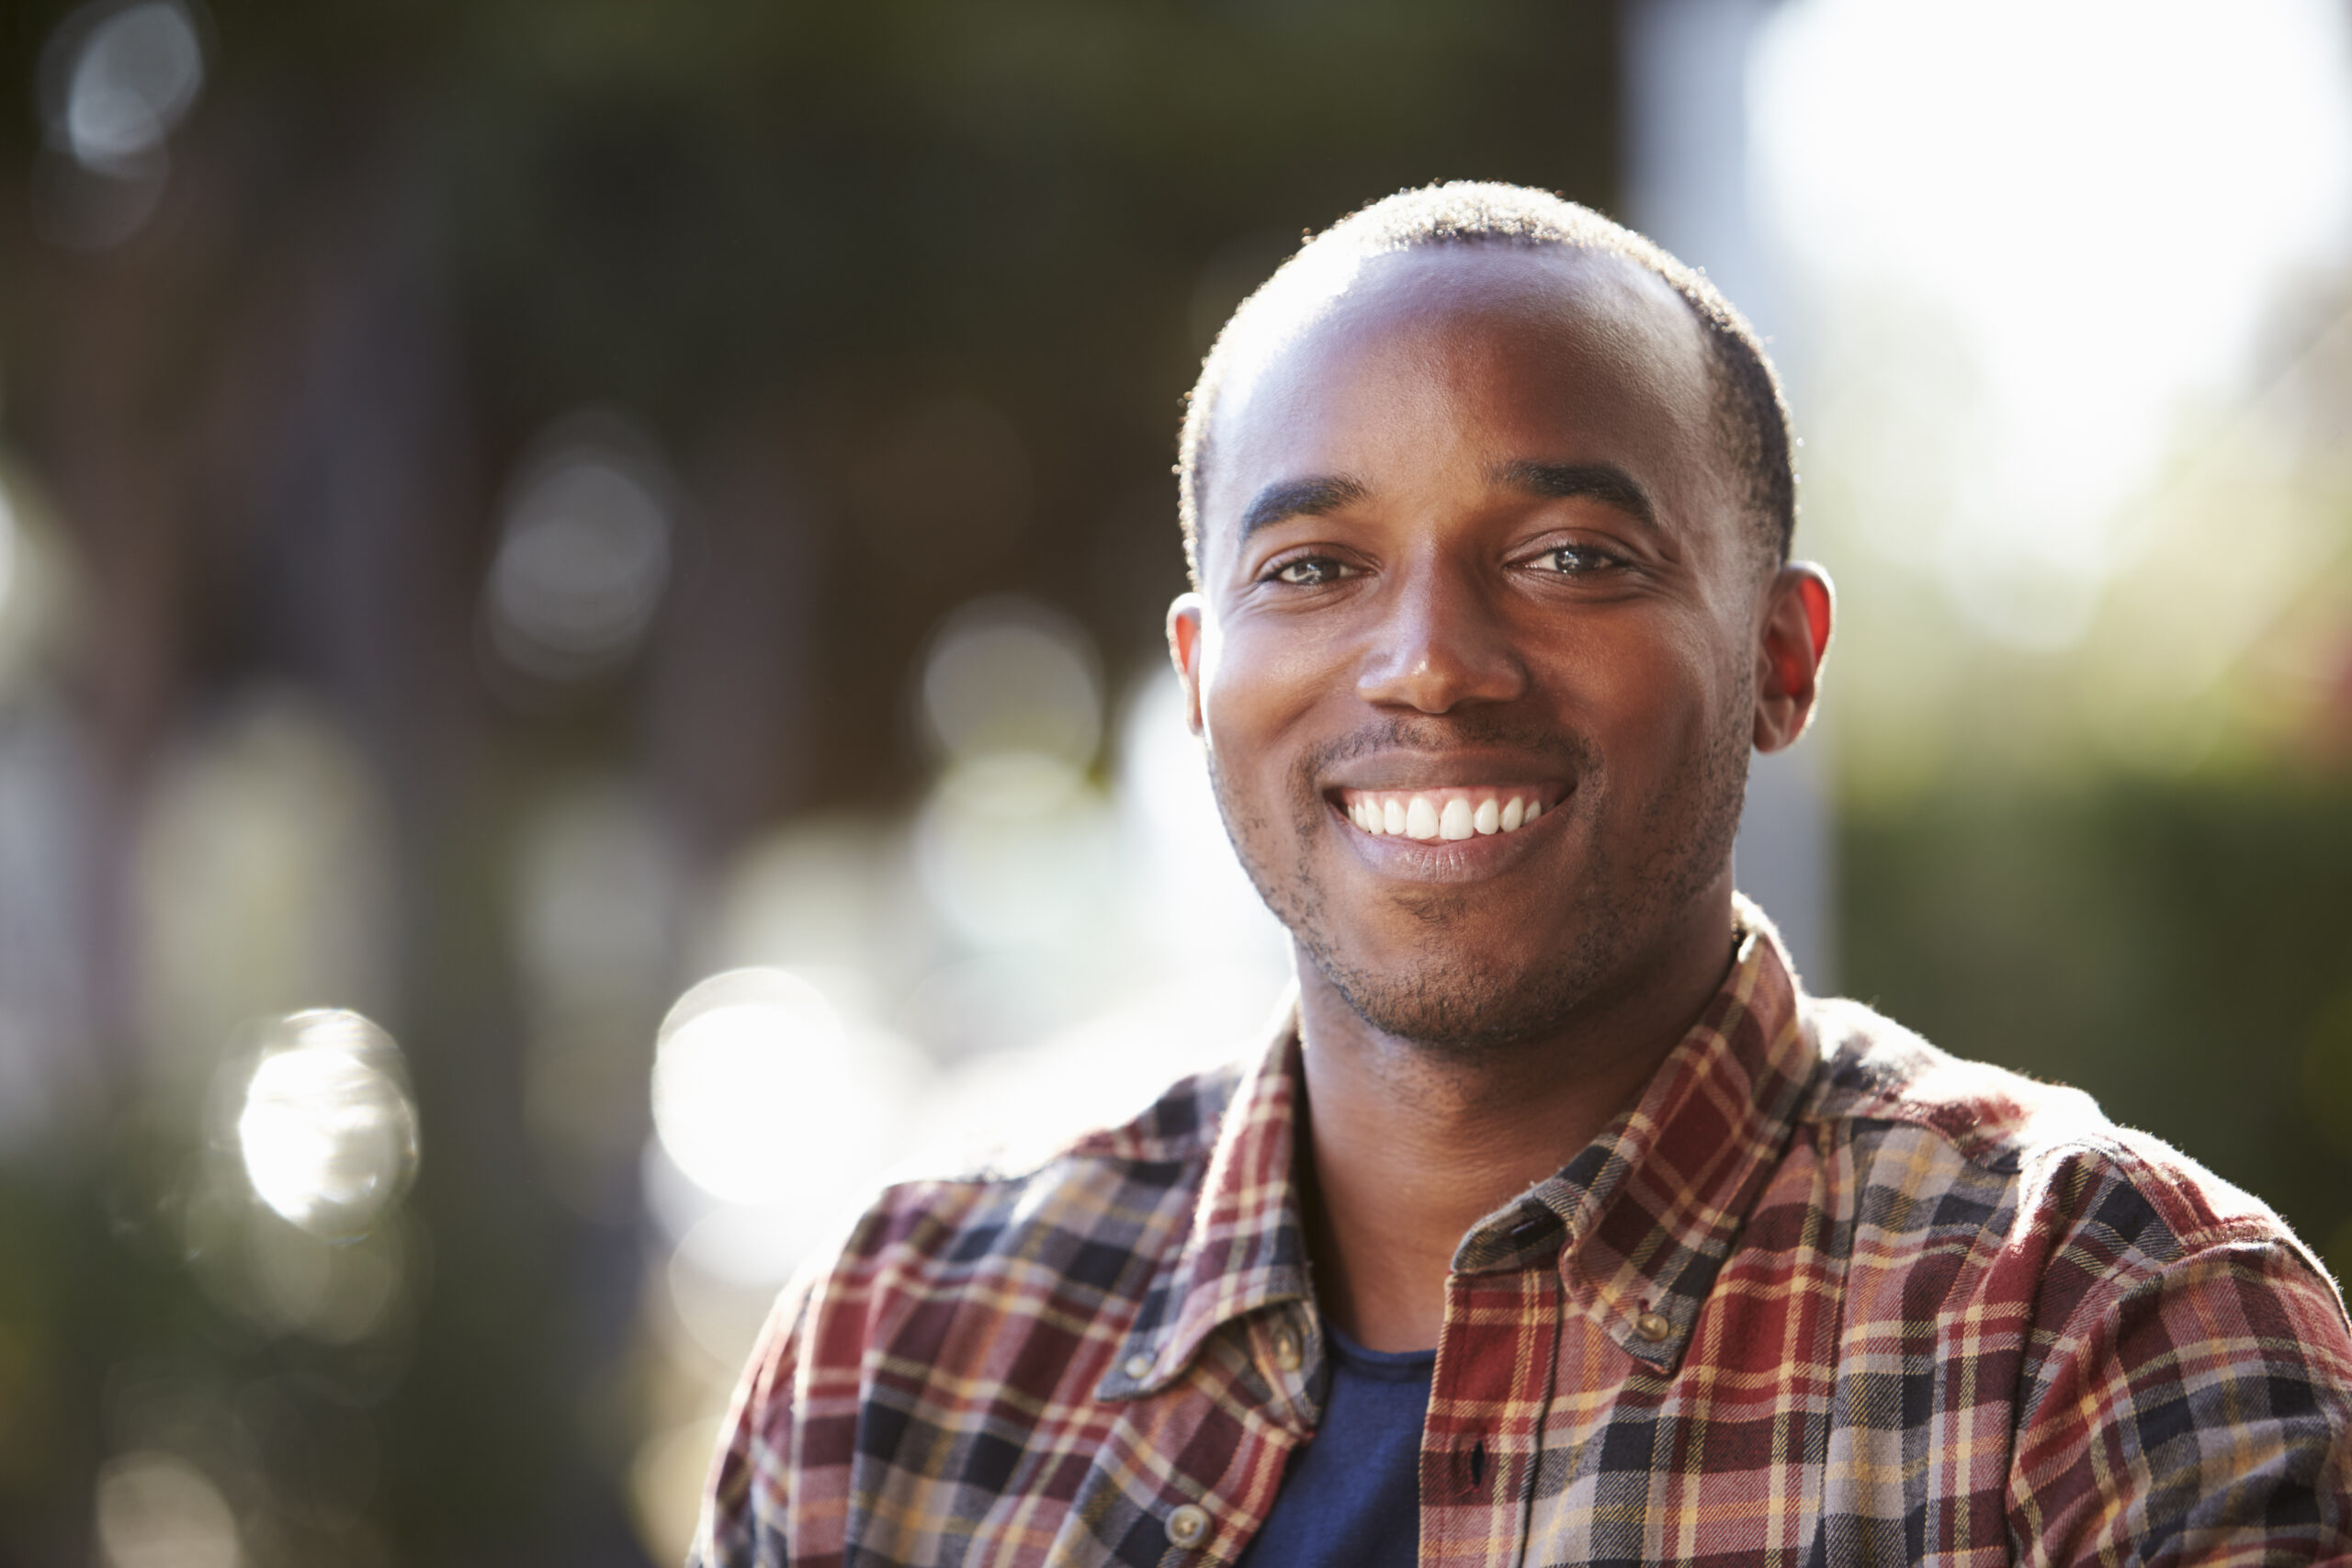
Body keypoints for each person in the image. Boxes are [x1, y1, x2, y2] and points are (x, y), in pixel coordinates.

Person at [689, 183, 2352, 1567]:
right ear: (1200, 676)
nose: (1428, 665)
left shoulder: (2099, 1334)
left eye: (1570, 559)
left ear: (1782, 658)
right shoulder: (902, 1352)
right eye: (1317, 567)